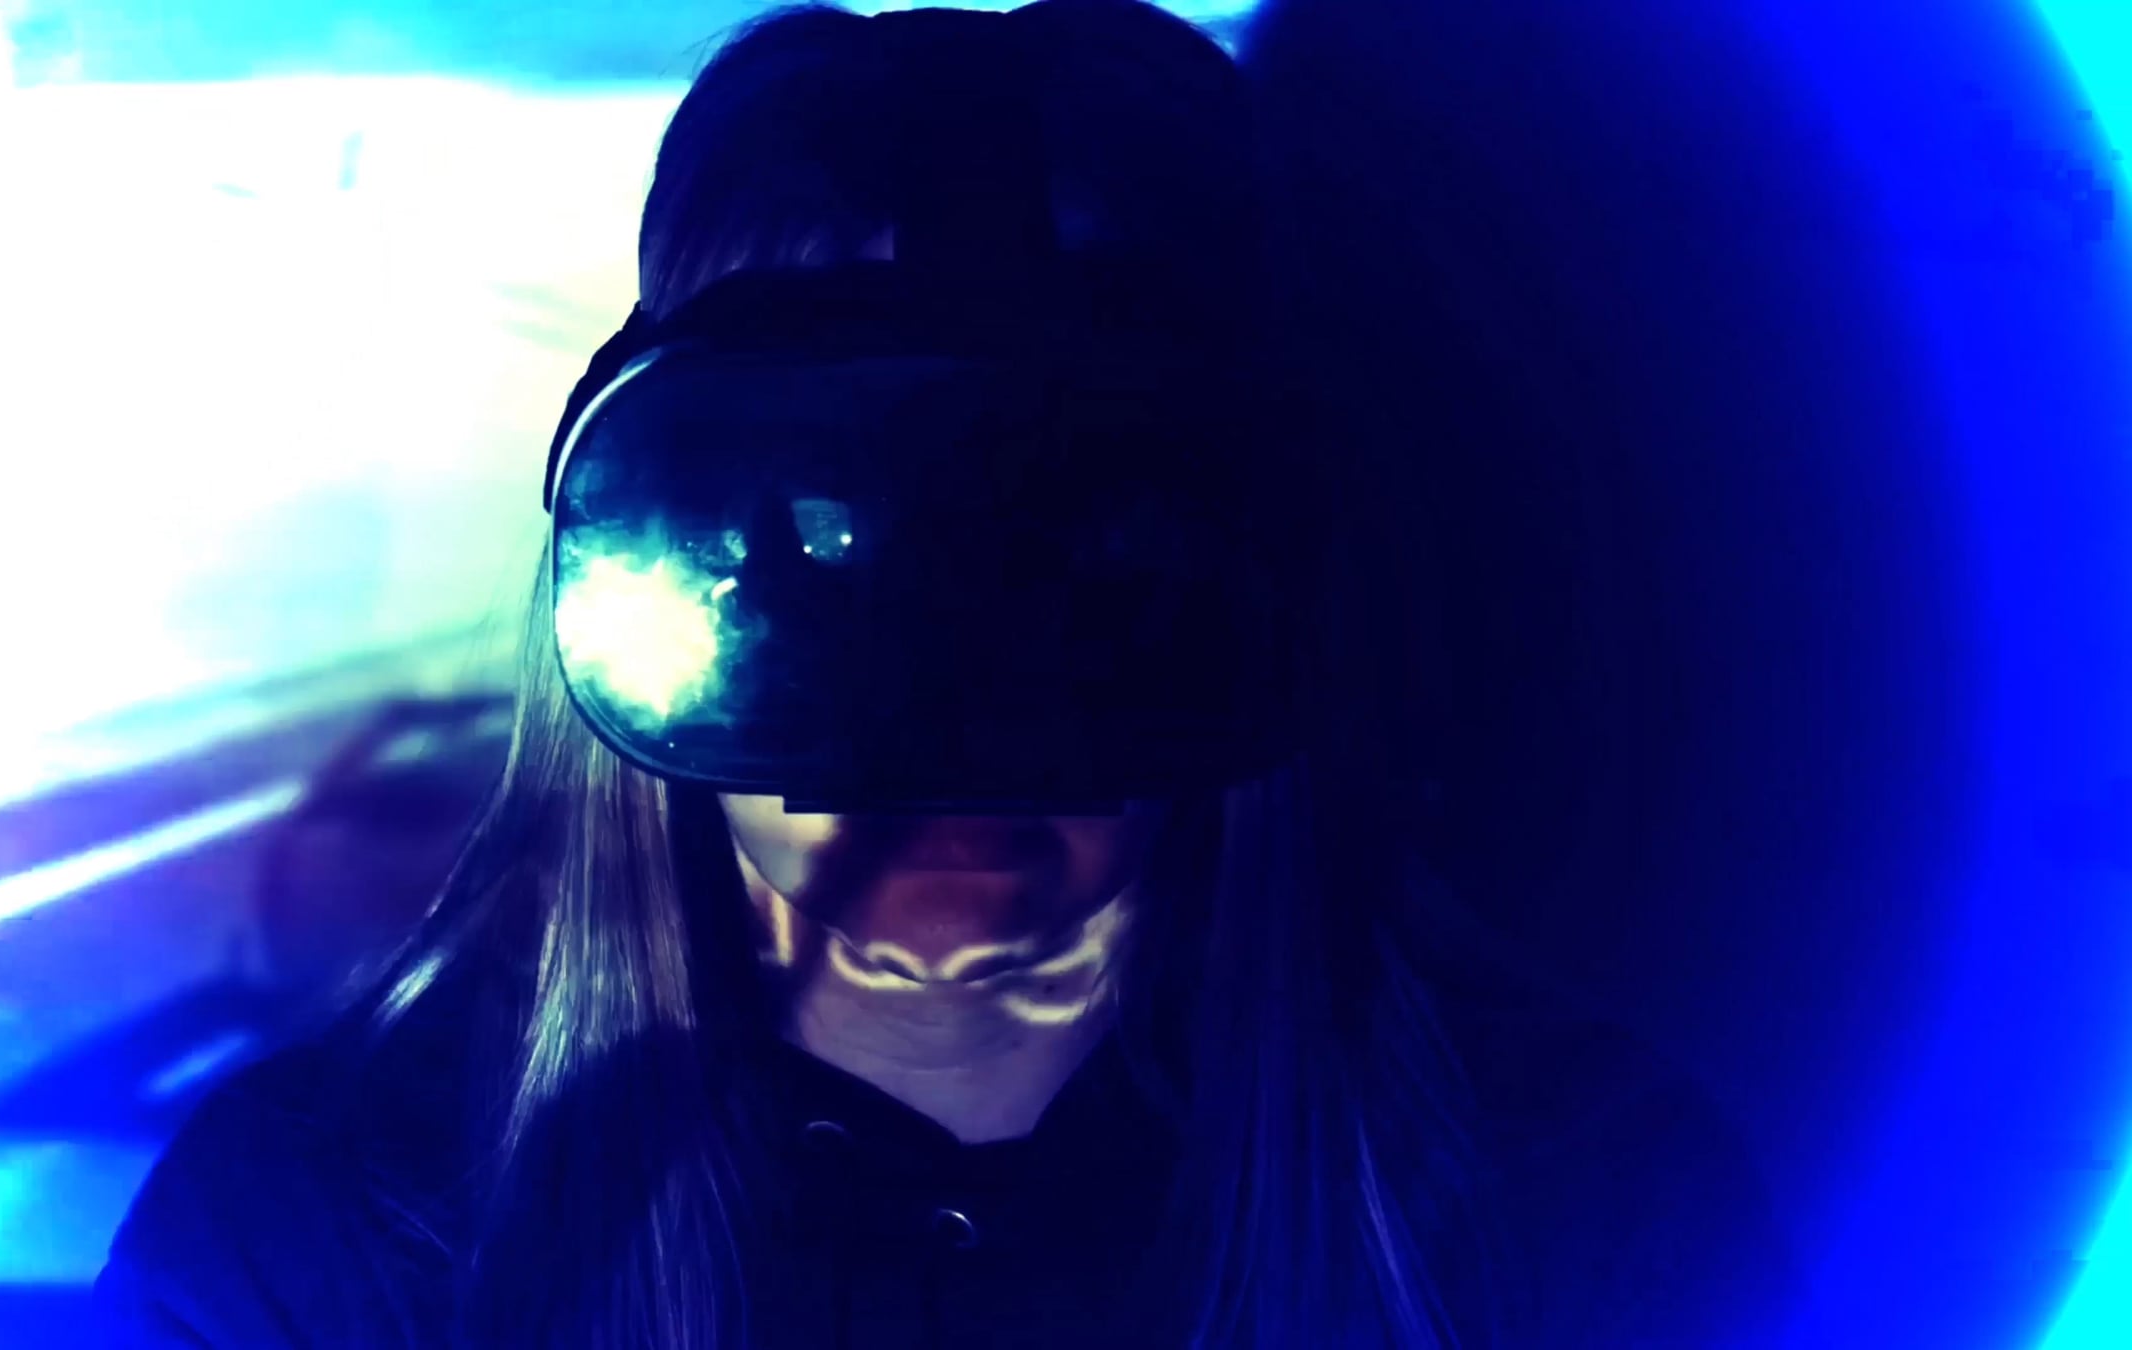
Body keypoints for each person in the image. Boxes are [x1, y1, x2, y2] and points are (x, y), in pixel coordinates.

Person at [95, 3, 1800, 1347]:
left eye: (1092, 536)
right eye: (823, 535)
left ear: (1257, 571)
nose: (952, 696)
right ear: (640, 542)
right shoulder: (309, 1254)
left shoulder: (1596, 1223)